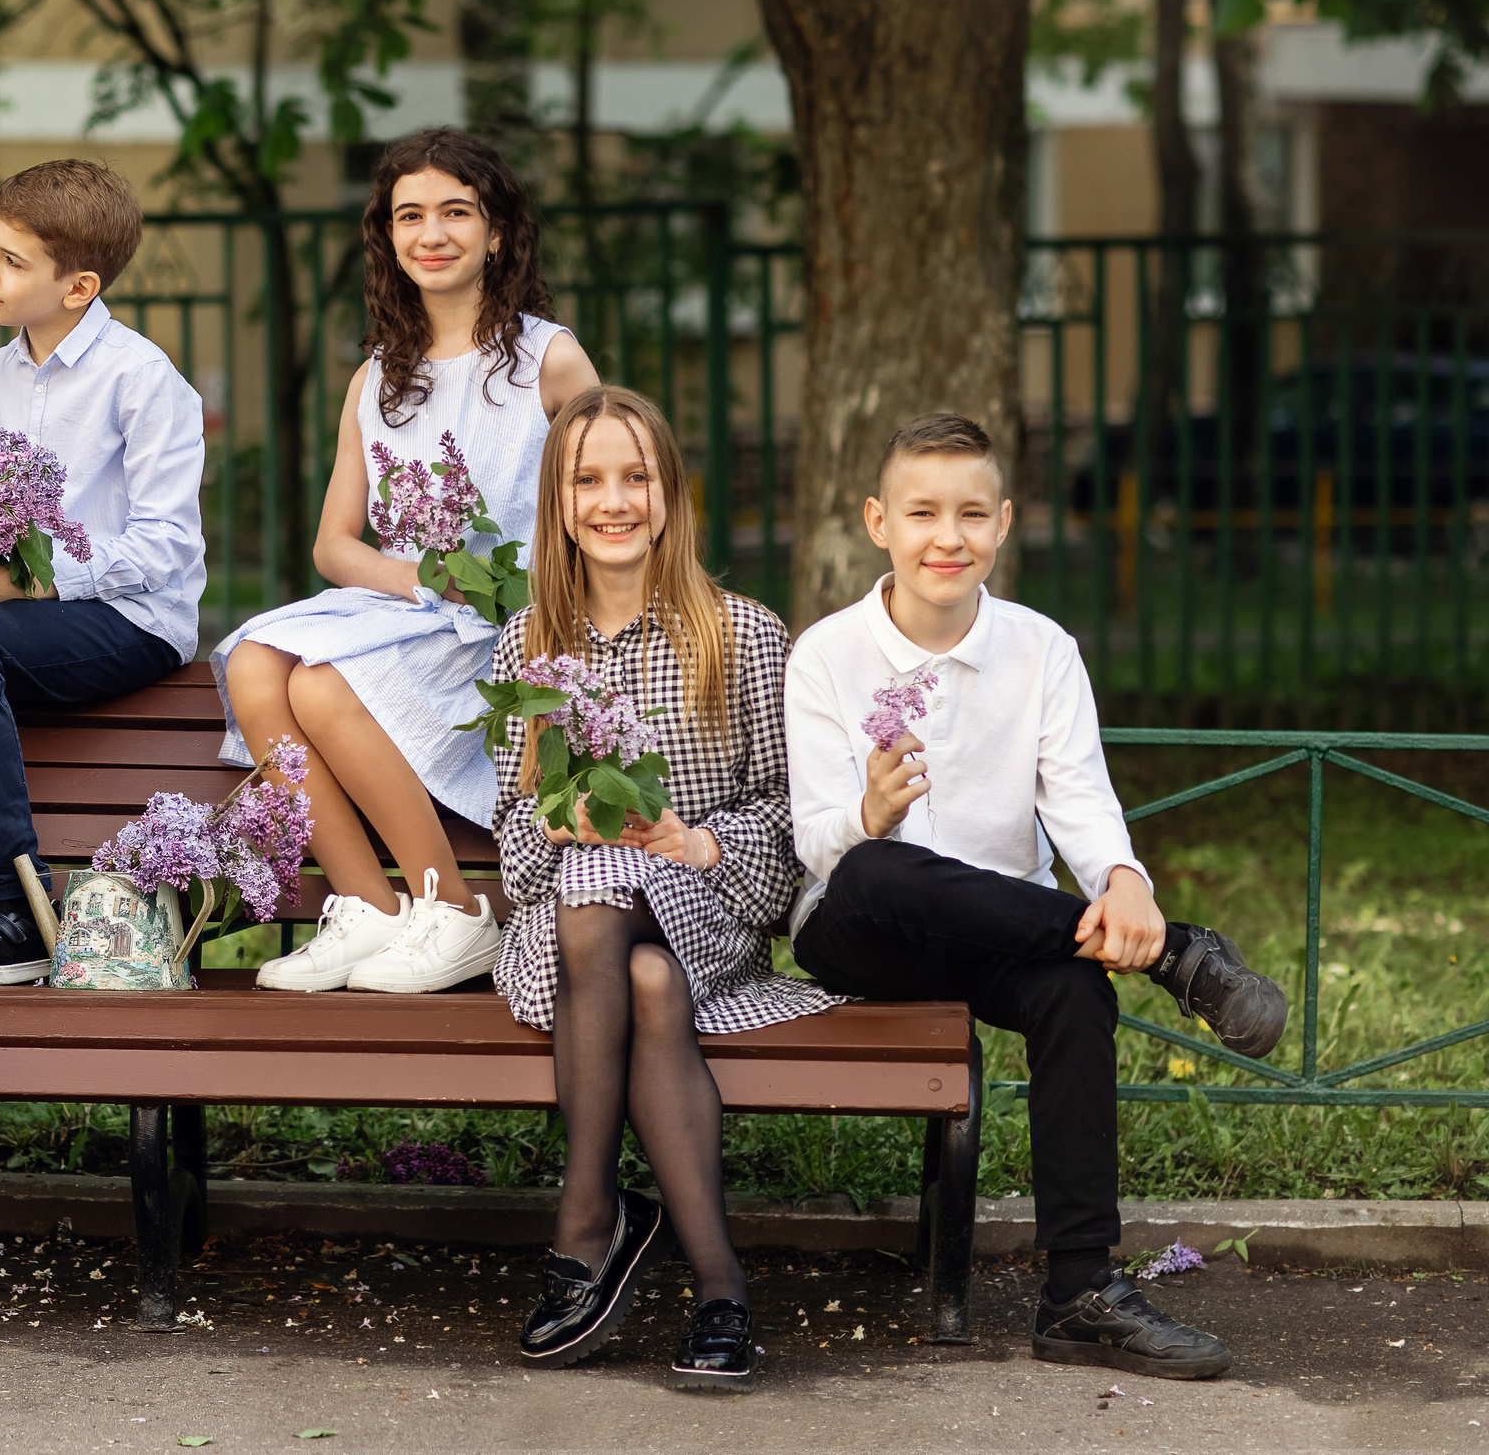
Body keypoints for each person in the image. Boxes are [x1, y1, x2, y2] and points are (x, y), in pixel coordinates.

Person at [784, 411, 1290, 1381]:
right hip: (860, 933)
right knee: (879, 867)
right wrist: (870, 807)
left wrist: (1125, 881)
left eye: (970, 513)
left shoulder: (1040, 649)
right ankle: (1183, 956)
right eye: (922, 512)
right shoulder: (828, 655)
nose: (947, 536)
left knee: (1073, 992)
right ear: (876, 521)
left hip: (1001, 936)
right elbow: (818, 846)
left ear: (1004, 522)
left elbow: (1080, 800)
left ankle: (1077, 1293)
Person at [489, 387, 831, 1385]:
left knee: (619, 904)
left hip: (710, 919)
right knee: (623, 946)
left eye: (634, 477)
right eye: (587, 479)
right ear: (558, 502)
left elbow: (786, 815)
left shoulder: (743, 636)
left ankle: (588, 1219)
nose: (612, 500)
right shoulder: (530, 648)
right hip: (566, 939)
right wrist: (554, 820)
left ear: (669, 494)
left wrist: (695, 841)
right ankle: (719, 1289)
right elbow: (516, 849)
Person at [216, 128, 598, 994]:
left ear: (497, 231)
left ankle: (453, 907)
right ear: (389, 236)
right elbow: (332, 545)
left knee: (315, 683)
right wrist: (426, 578)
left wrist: (500, 594)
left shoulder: (550, 358)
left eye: (456, 212)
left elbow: (607, 499)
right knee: (251, 660)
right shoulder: (378, 376)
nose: (432, 232)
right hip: (412, 607)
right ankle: (370, 909)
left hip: (512, 625)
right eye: (410, 214)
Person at [0, 160, 207, 983]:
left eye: (11, 259)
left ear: (78, 285)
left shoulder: (144, 381)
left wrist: (31, 585)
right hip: (14, 623)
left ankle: (12, 904)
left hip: (134, 620)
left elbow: (165, 549)